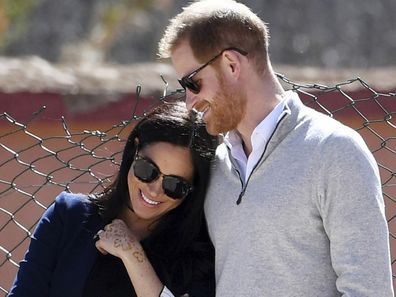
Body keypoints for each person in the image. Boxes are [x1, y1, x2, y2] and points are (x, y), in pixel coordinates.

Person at [158, 1, 394, 296]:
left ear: (232, 64)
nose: (189, 102)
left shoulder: (335, 152)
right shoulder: (216, 166)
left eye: (193, 83)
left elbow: (369, 290)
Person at [8, 101, 218, 297]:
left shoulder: (196, 260)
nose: (154, 190)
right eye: (147, 170)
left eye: (175, 185)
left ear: (193, 189)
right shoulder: (69, 216)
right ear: (134, 150)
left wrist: (132, 254)